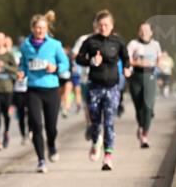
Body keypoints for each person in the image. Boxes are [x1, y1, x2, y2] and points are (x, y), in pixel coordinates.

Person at [76, 10, 131, 171]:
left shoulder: (118, 41)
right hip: (95, 87)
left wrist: (127, 68)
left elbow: (126, 58)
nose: (103, 27)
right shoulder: (90, 41)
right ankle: (95, 141)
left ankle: (108, 156)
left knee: (109, 122)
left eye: (106, 25)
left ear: (112, 26)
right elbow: (79, 58)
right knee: (94, 121)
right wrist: (92, 60)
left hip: (112, 88)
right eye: (100, 25)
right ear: (96, 26)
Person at [17, 11, 70, 172]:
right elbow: (23, 64)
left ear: (47, 29)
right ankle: (41, 160)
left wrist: (56, 68)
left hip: (51, 89)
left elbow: (65, 63)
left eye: (43, 28)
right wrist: (21, 72)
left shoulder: (55, 44)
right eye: (37, 27)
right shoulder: (25, 46)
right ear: (32, 28)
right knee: (36, 125)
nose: (40, 30)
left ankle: (51, 145)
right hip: (33, 90)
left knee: (51, 127)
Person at [127, 23, 161, 149]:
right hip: (136, 77)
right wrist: (138, 63)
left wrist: (156, 65)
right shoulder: (133, 44)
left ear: (151, 32)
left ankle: (144, 135)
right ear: (138, 32)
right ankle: (141, 126)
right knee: (139, 107)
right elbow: (127, 59)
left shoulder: (155, 45)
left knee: (148, 106)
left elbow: (159, 58)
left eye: (146, 30)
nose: (143, 33)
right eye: (141, 30)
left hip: (150, 76)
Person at [0, 31, 18, 150]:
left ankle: (6, 132)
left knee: (6, 114)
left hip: (7, 89)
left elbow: (15, 70)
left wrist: (4, 66)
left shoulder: (9, 55)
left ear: (5, 40)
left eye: (1, 39)